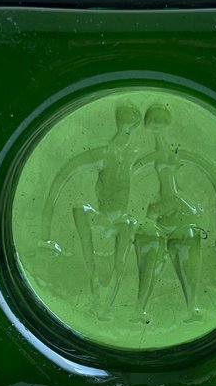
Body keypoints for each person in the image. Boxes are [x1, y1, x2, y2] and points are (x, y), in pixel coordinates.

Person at [132, 103, 216, 323]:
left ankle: (191, 308)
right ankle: (140, 309)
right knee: (151, 256)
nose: (156, 129)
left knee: (186, 256)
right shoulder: (153, 156)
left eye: (160, 124)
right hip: (161, 214)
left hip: (181, 213)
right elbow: (131, 173)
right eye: (153, 124)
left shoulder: (177, 154)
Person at [40, 102, 142, 312]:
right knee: (82, 209)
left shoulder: (128, 154)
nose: (128, 130)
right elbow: (63, 175)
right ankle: (100, 297)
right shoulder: (105, 155)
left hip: (120, 222)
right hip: (102, 218)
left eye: (131, 125)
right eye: (127, 123)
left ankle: (106, 303)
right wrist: (45, 236)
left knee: (126, 226)